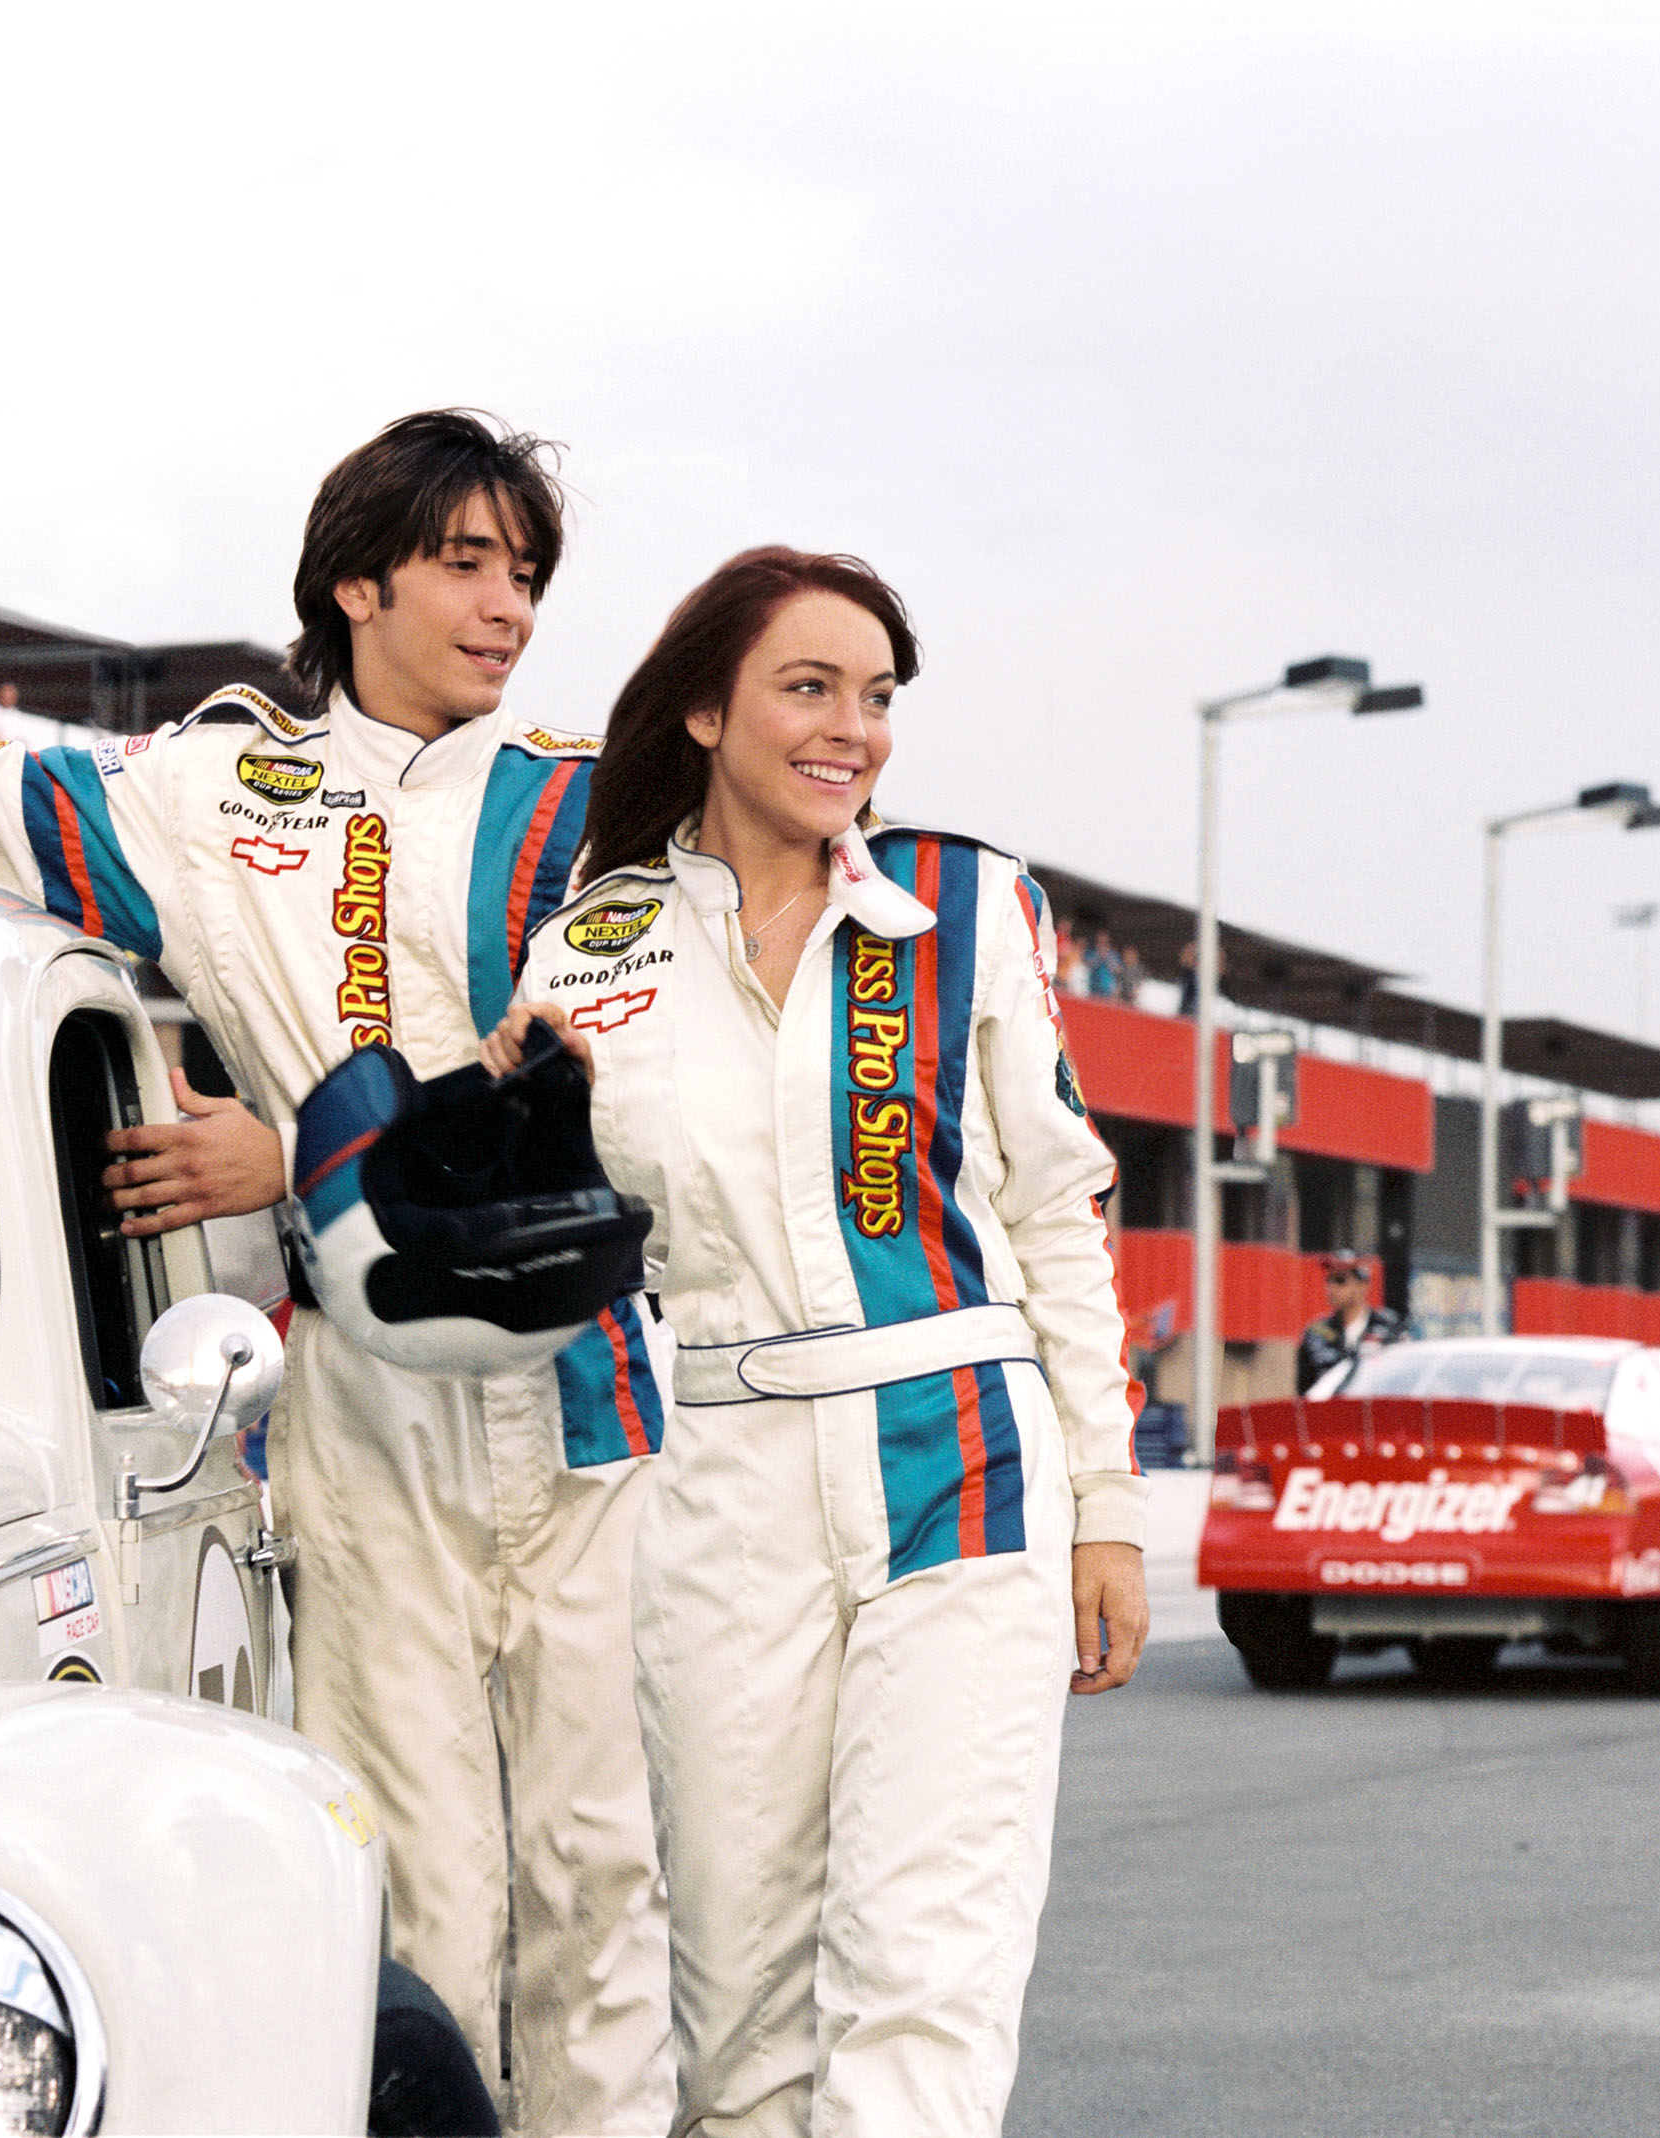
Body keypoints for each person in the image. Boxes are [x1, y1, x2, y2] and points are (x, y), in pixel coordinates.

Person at [0, 410, 669, 2137]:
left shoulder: (593, 802)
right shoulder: (211, 786)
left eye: (526, 574)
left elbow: (627, 1090)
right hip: (359, 1399)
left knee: (602, 1871)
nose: (507, 607)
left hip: (588, 1394)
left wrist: (295, 1159)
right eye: (466, 563)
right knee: (415, 1870)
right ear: (357, 582)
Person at [487, 547, 1149, 2136]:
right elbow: (563, 1245)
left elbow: (1056, 1212)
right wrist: (514, 1121)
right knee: (738, 2014)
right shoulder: (589, 948)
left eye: (877, 696)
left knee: (923, 1972)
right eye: (809, 687)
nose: (853, 727)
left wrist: (1108, 1504)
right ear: (705, 709)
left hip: (962, 1459)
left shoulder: (966, 906)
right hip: (719, 1485)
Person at [1294, 1251, 1402, 1390]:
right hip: (1330, 1403)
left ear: (1362, 1285)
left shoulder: (1389, 1326)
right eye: (1329, 1280)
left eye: (1340, 1281)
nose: (1331, 1288)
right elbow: (1305, 1390)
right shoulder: (1316, 1332)